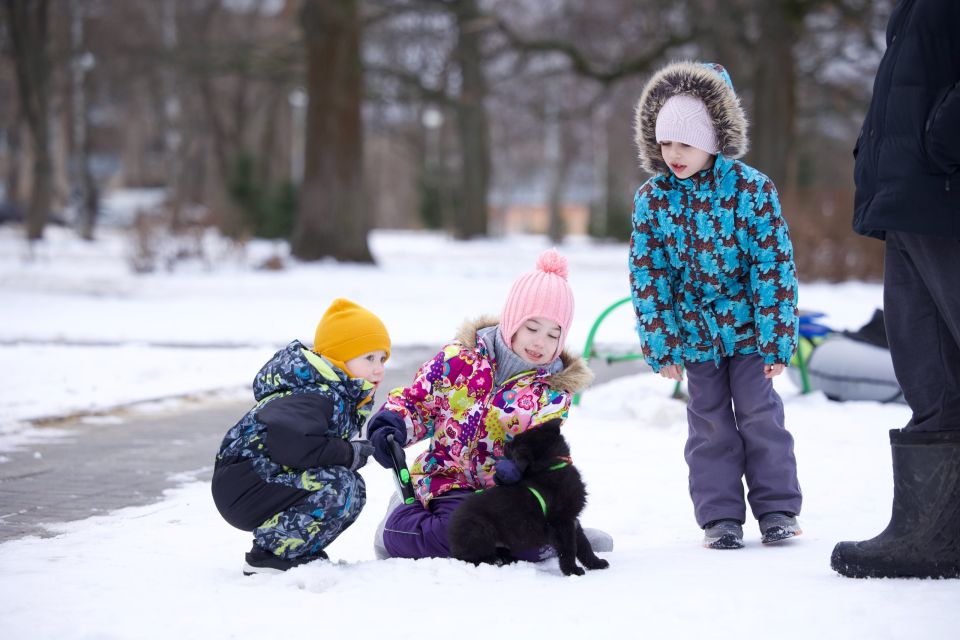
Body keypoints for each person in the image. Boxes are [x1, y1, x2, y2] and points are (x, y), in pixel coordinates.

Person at [629, 61, 802, 549]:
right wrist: (662, 344)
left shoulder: (752, 190)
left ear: (714, 140)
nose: (673, 154)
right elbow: (649, 274)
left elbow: (773, 265)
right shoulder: (653, 199)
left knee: (759, 415)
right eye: (665, 143)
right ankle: (720, 517)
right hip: (694, 335)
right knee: (709, 424)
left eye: (685, 144)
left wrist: (776, 338)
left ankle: (777, 509)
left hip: (750, 333)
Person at [831, 0, 960, 579]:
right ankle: (934, 531)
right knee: (928, 372)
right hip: (910, 189)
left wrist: (944, 137)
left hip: (945, 182)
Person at [366, 248, 603, 561]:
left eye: (552, 334)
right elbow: (419, 403)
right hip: (447, 479)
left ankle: (559, 535)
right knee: (457, 533)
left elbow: (549, 451)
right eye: (532, 328)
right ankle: (402, 524)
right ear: (512, 321)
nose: (540, 342)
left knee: (524, 542)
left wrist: (523, 468)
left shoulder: (551, 394)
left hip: (506, 495)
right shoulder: (459, 361)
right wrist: (393, 422)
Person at [211, 298, 390, 575]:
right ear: (339, 357)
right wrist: (347, 453)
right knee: (339, 486)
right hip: (245, 483)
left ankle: (296, 550)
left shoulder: (336, 394)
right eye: (369, 358)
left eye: (382, 359)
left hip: (262, 481)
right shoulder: (316, 394)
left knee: (352, 488)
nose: (379, 368)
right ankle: (269, 556)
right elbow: (294, 447)